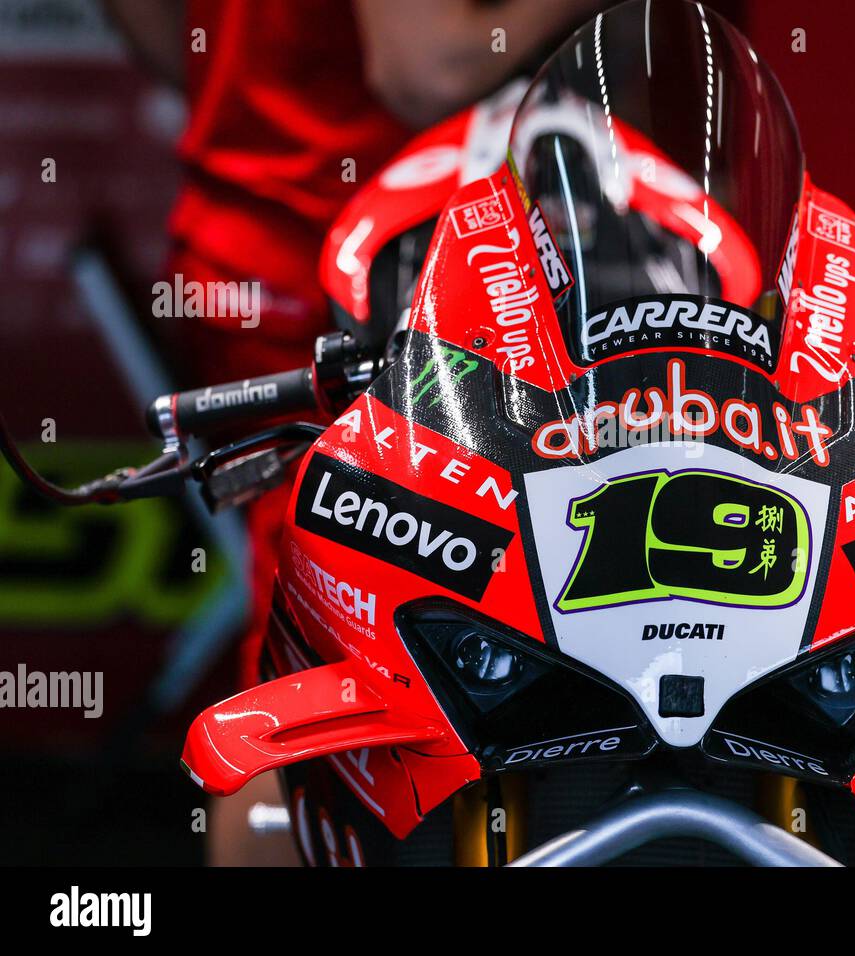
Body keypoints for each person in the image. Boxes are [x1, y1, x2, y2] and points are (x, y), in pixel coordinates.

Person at [103, 0, 605, 866]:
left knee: (351, 678)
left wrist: (262, 102)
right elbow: (429, 66)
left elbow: (152, 22)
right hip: (353, 291)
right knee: (320, 713)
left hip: (268, 245)